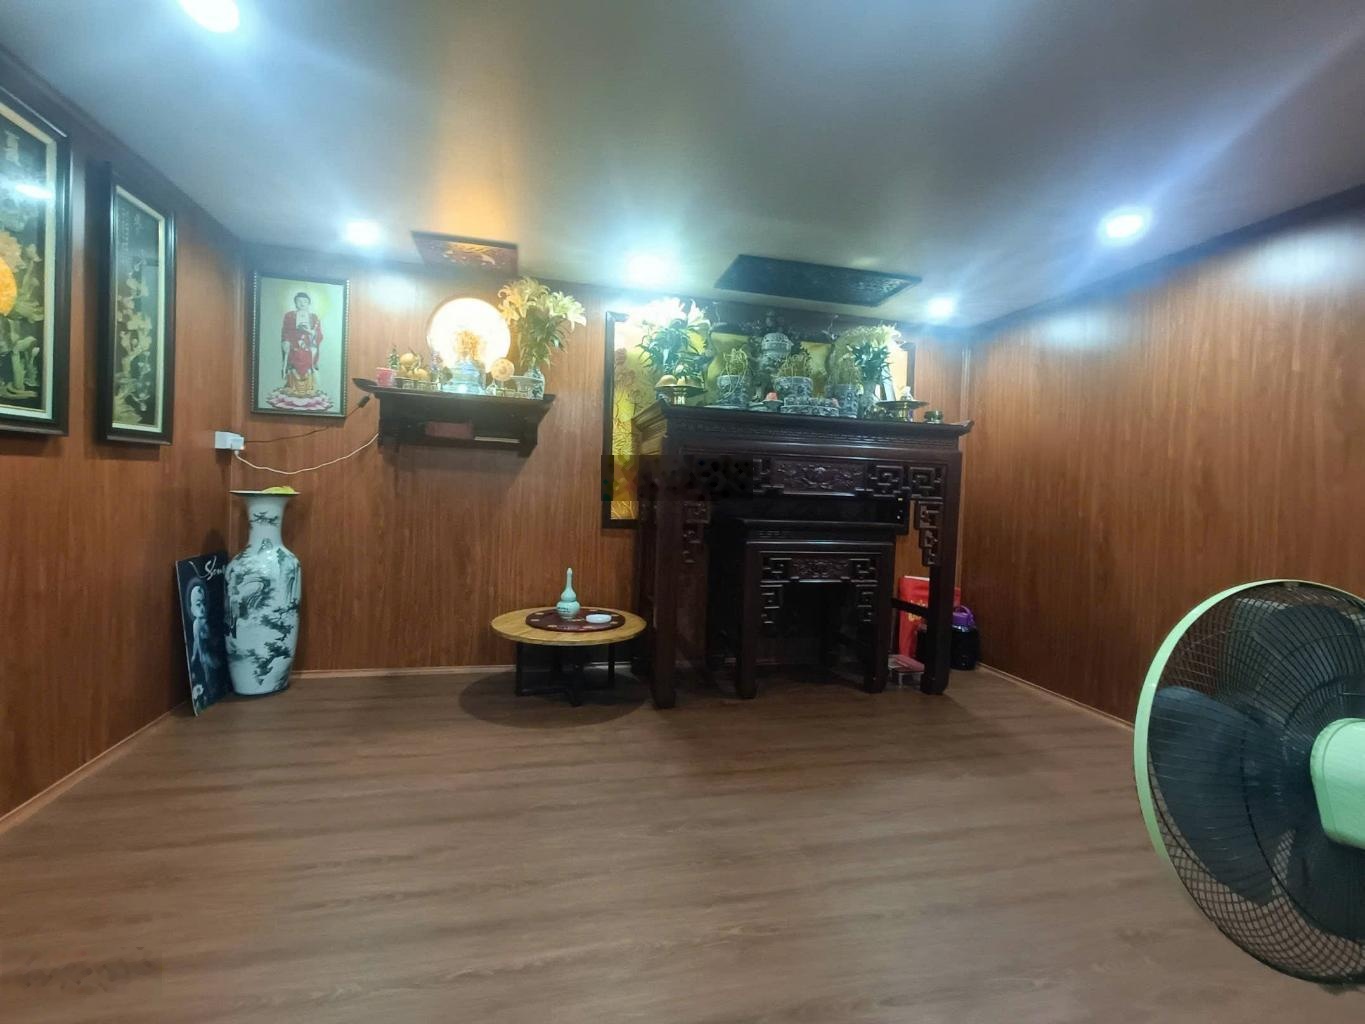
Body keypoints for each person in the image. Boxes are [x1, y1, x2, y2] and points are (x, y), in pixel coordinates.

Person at [280, 291, 323, 397]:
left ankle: (309, 388)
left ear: (309, 303)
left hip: (308, 345)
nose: (302, 303)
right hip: (293, 345)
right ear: (295, 303)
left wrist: (311, 332)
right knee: (293, 364)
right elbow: (285, 331)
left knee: (308, 361)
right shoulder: (289, 315)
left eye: (305, 301)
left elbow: (319, 334)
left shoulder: (314, 317)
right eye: (299, 301)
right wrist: (285, 341)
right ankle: (292, 387)